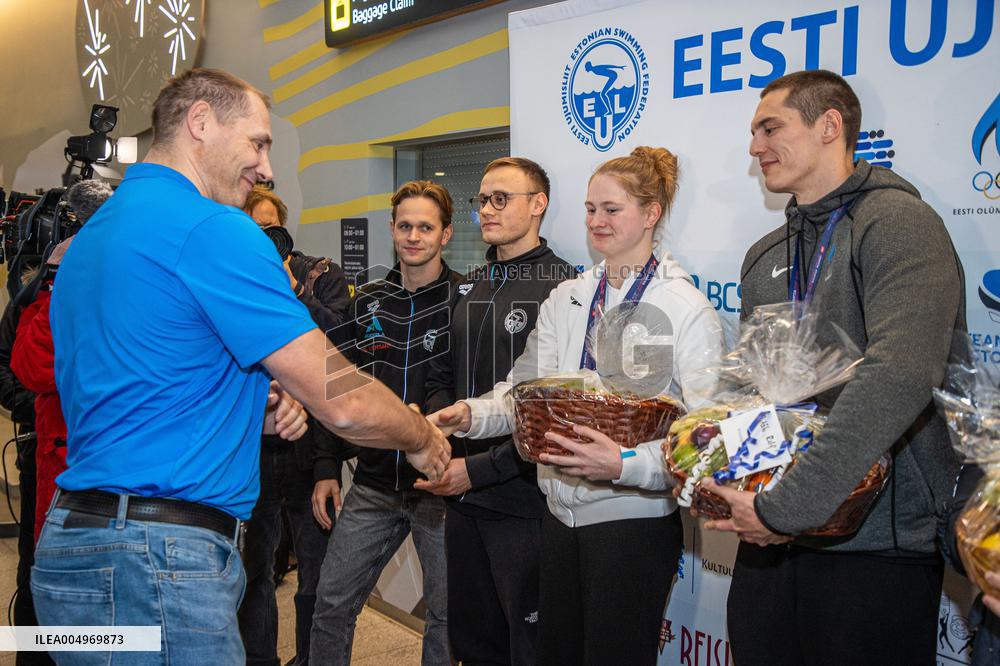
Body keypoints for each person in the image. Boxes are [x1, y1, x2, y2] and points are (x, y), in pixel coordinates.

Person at [34, 67, 449, 664]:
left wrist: (249, 407)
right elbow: (343, 398)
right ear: (200, 122)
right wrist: (420, 435)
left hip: (73, 547)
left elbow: (139, 381)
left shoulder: (94, 235)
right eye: (257, 142)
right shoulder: (213, 229)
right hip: (158, 559)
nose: (267, 169)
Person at [708, 69, 965, 665]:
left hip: (872, 548)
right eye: (752, 132)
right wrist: (716, 468)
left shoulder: (898, 223)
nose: (754, 147)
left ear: (829, 126)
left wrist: (789, 506)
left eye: (770, 128)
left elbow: (901, 372)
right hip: (767, 536)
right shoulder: (763, 255)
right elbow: (749, 387)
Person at [432, 147, 722, 665]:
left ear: (651, 214)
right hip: (558, 519)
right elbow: (523, 392)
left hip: (632, 526)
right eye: (590, 209)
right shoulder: (567, 297)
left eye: (612, 210)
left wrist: (626, 465)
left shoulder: (684, 308)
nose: (596, 222)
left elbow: (704, 440)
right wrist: (472, 415)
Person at [418, 157, 575, 665]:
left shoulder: (566, 288)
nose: (486, 209)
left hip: (522, 500)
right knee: (473, 643)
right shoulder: (468, 285)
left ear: (538, 204)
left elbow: (554, 409)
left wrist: (481, 470)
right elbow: (441, 375)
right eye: (481, 199)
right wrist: (441, 447)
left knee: (528, 648)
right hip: (459, 497)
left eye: (499, 198)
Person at [309, 179, 462, 665]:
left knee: (445, 617)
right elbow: (335, 388)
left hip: (438, 489)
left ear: (446, 234)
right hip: (372, 486)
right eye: (404, 226)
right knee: (330, 605)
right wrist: (326, 467)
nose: (413, 236)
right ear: (392, 231)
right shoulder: (366, 301)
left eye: (425, 227)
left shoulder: (467, 302)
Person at [236, 186, 351, 666]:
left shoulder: (318, 275)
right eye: (252, 229)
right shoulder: (227, 279)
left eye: (271, 230)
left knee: (317, 581)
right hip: (250, 457)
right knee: (254, 575)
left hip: (309, 454)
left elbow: (342, 344)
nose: (264, 239)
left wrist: (292, 291)